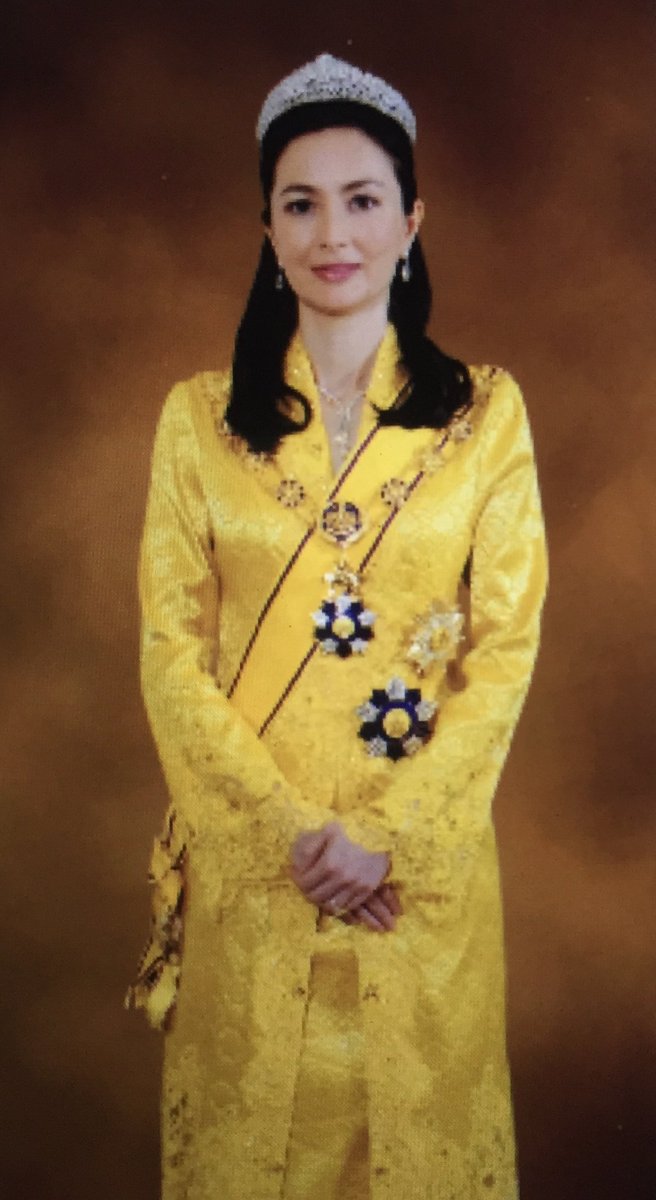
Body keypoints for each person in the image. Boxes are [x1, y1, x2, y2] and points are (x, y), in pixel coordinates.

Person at [126, 53, 548, 1200]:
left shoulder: (482, 417)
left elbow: (504, 652)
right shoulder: (199, 422)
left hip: (415, 889)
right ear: (267, 231)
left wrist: (385, 838)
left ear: (409, 221)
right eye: (299, 204)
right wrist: (291, 839)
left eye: (361, 199)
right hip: (256, 887)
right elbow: (168, 652)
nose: (331, 233)